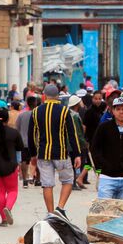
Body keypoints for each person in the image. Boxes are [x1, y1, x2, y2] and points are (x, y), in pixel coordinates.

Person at [28, 84, 81, 218]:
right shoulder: (64, 111)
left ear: (44, 96)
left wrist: (33, 154)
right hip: (61, 154)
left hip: (43, 154)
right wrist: (77, 154)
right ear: (58, 96)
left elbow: (31, 135)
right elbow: (72, 134)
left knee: (47, 184)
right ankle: (60, 207)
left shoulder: (35, 111)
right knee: (68, 180)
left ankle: (51, 213)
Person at [91, 97, 123, 200]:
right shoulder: (104, 128)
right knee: (104, 209)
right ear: (113, 111)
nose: (121, 112)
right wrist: (102, 166)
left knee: (121, 211)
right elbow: (94, 149)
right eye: (118, 109)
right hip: (107, 177)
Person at [0, 109, 23, 226]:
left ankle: (4, 219)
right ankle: (8, 208)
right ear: (7, 119)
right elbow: (20, 147)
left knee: (0, 192)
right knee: (12, 191)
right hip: (10, 166)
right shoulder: (13, 133)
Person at [67, 96, 89, 190]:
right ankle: (74, 182)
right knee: (77, 163)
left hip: (70, 143)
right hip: (76, 144)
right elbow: (78, 132)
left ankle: (73, 182)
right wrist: (84, 143)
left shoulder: (70, 114)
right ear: (76, 104)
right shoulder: (74, 116)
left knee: (73, 163)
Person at [16, 96, 38, 188]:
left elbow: (17, 128)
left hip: (23, 141)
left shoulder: (21, 115)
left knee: (24, 161)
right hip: (35, 142)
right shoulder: (37, 114)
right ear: (35, 103)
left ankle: (25, 180)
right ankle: (36, 179)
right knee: (36, 160)